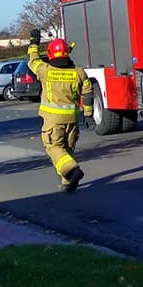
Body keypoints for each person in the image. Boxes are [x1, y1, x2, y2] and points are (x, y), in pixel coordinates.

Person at [27, 29, 91, 192]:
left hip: (53, 121)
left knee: (54, 148)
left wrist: (34, 42)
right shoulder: (78, 72)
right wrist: (89, 114)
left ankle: (73, 171)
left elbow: (33, 60)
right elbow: (88, 91)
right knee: (67, 151)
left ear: (51, 55)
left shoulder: (45, 70)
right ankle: (67, 182)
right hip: (72, 120)